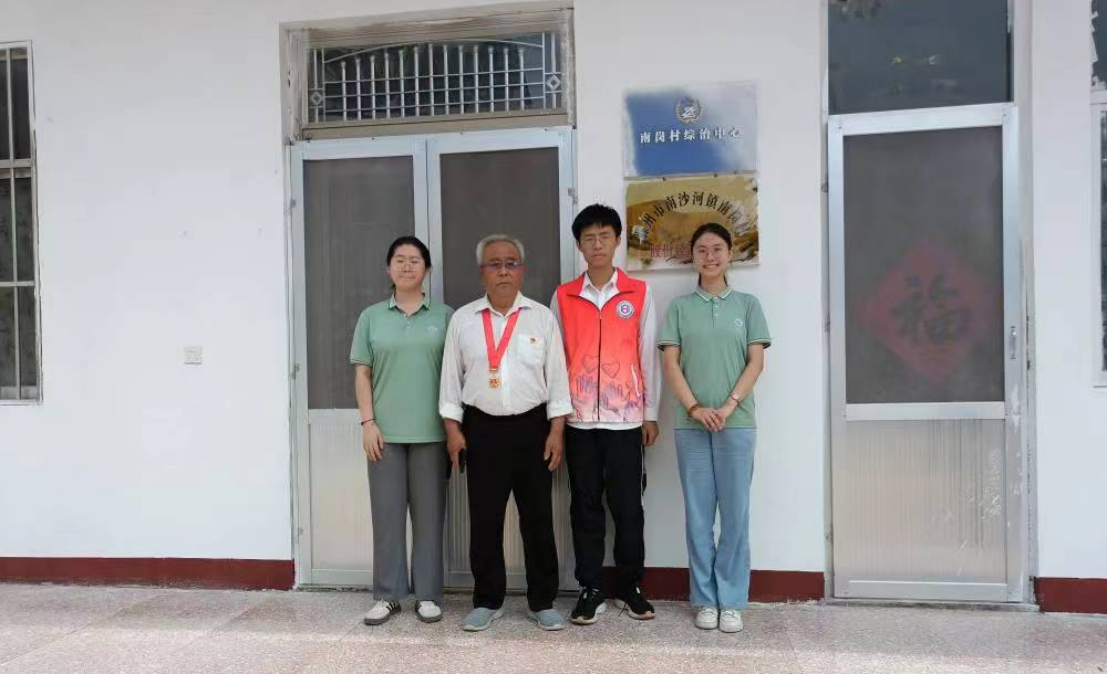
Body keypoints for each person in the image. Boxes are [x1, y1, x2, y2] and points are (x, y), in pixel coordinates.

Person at [438, 234, 573, 632]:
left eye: (510, 263)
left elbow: (558, 380)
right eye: (494, 264)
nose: (503, 270)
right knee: (484, 520)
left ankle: (542, 600)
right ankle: (487, 599)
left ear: (522, 270)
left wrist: (556, 431)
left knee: (538, 519)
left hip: (533, 428)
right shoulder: (463, 320)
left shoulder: (541, 318)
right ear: (481, 272)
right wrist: (453, 430)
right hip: (481, 429)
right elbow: (450, 381)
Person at [550, 204, 661, 625]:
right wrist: (558, 416)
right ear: (579, 246)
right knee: (585, 506)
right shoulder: (564, 296)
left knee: (629, 507)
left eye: (604, 236)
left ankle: (631, 586)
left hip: (626, 421)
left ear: (616, 241)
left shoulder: (639, 293)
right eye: (588, 238)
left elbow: (647, 355)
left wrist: (650, 413)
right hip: (579, 422)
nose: (597, 244)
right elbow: (555, 362)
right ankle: (591, 587)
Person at [658, 223, 771, 634]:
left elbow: (756, 362)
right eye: (702, 249)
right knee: (699, 516)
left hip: (736, 424)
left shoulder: (748, 305)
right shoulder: (679, 308)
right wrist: (695, 407)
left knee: (736, 516)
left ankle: (732, 600)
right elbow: (671, 364)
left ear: (730, 254)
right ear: (693, 256)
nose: (710, 256)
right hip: (691, 425)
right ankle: (705, 599)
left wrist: (727, 406)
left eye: (717, 248)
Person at [350, 236, 454, 626]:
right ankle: (388, 595)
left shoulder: (446, 316)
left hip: (432, 434)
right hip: (385, 436)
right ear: (388, 268)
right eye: (399, 259)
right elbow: (362, 373)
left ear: (427, 269)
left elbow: (456, 376)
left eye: (415, 260)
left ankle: (427, 595)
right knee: (387, 518)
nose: (407, 266)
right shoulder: (371, 317)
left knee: (429, 520)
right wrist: (368, 423)